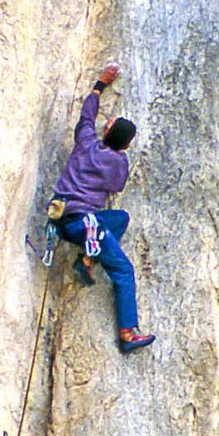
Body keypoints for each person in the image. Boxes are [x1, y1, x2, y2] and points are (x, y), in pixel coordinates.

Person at [52, 63, 156, 353]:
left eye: (110, 123)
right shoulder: (118, 163)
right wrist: (118, 151)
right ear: (125, 146)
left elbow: (87, 116)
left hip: (63, 217)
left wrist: (99, 85)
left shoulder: (86, 142)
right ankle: (127, 333)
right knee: (123, 270)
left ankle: (88, 258)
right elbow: (117, 185)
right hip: (86, 224)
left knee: (120, 218)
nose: (107, 121)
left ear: (106, 131)